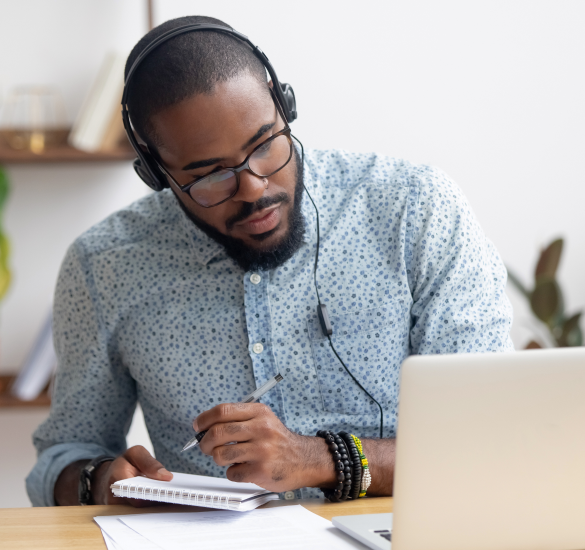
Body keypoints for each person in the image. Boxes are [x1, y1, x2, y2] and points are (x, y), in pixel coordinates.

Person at [27, 15, 513, 507]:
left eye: (264, 145)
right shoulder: (103, 266)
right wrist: (100, 479)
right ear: (156, 173)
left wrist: (319, 459)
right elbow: (63, 456)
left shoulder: (416, 210)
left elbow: (494, 438)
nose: (254, 187)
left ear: (285, 107)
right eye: (210, 175)